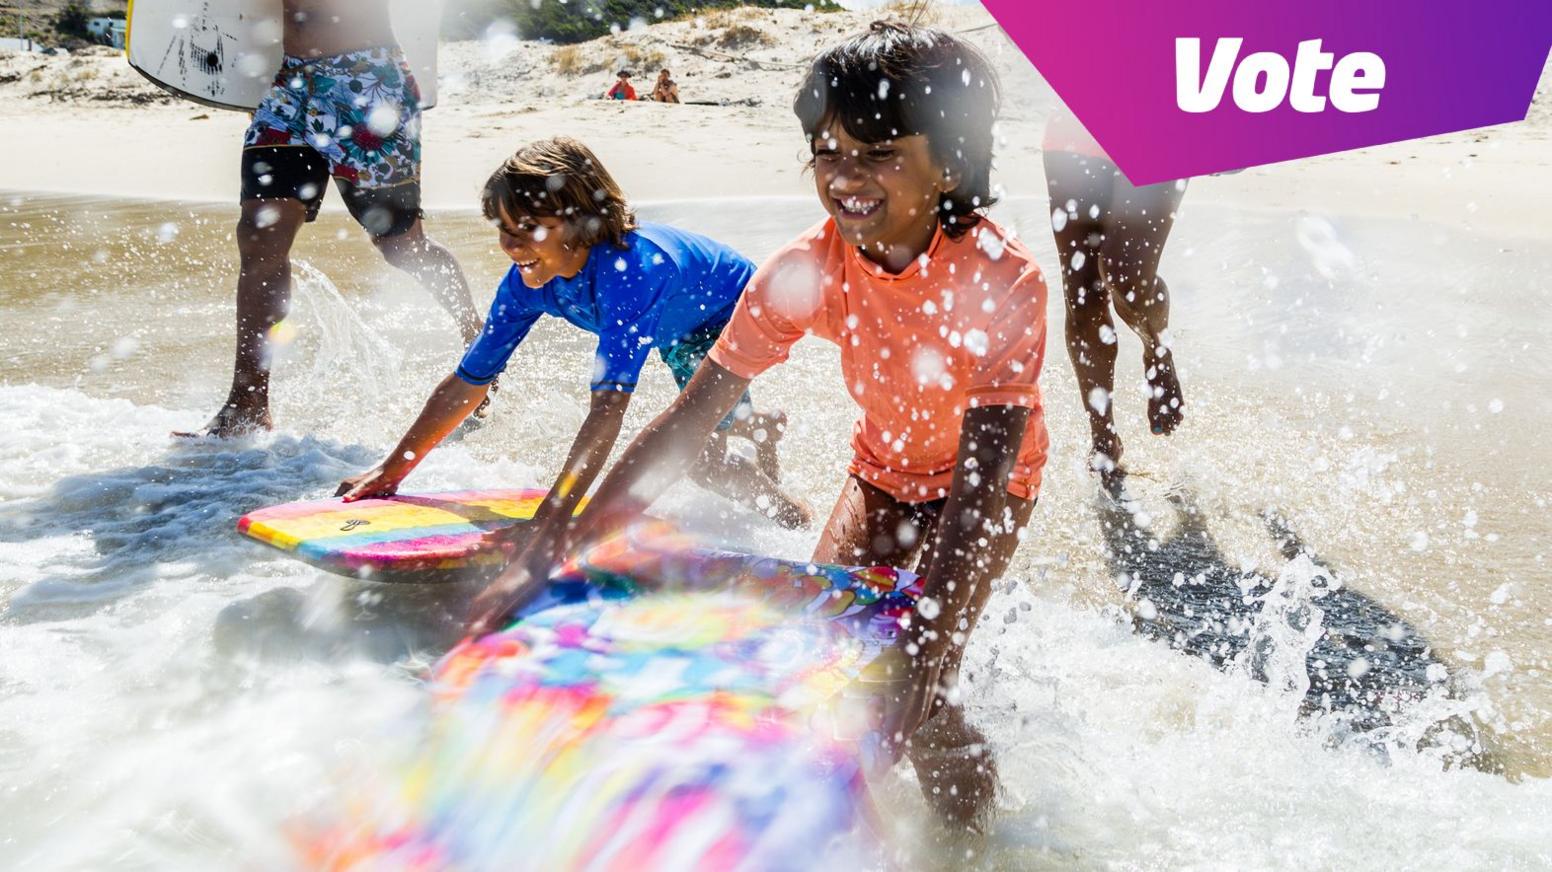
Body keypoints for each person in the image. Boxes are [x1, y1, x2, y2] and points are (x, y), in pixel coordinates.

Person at [471, 24, 1050, 828]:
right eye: (828, 151)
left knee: (921, 669)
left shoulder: (1001, 280)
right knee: (826, 663)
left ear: (948, 161)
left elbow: (984, 479)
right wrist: (566, 538)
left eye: (880, 153)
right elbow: (691, 416)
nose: (847, 177)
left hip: (988, 490)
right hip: (881, 473)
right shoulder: (804, 270)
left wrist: (932, 627)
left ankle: (973, 839)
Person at [337, 137, 811, 556]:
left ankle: (796, 522)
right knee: (712, 436)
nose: (511, 246)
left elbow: (607, 409)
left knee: (704, 463)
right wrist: (393, 469)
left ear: (584, 223)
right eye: (503, 230)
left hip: (730, 309)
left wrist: (556, 514)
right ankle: (757, 425)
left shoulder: (628, 275)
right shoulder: (526, 282)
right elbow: (469, 382)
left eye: (528, 231)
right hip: (676, 315)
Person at [185, 0, 483, 437]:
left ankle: (478, 342)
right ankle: (247, 401)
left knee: (402, 246)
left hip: (368, 84)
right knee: (259, 235)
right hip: (289, 86)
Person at [1043, 111, 1186, 492]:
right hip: (1073, 126)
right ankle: (1103, 438)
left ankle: (1157, 347)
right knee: (1082, 295)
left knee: (1127, 276)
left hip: (1159, 124)